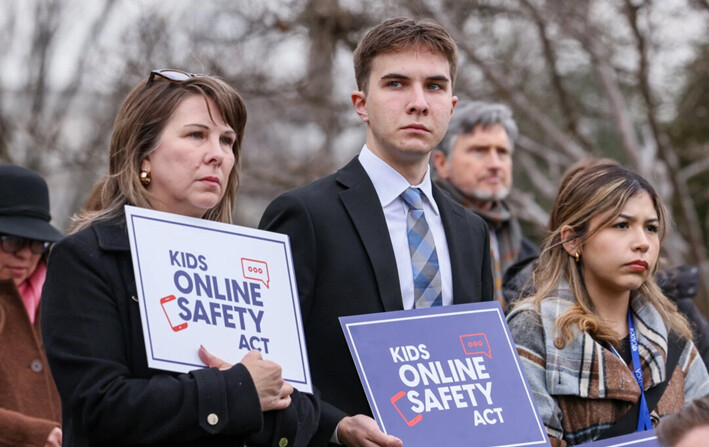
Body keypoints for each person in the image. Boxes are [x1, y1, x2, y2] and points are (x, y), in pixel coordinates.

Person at [40, 70, 319, 447]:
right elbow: (101, 408)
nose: (217, 155)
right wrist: (234, 388)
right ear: (143, 155)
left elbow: (301, 414)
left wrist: (265, 398)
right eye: (196, 135)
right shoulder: (87, 258)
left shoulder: (254, 263)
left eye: (227, 141)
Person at [259, 17, 493, 447]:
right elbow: (269, 363)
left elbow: (478, 362)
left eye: (435, 86)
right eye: (397, 84)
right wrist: (335, 425)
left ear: (452, 107)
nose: (419, 102)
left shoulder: (471, 231)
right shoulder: (304, 214)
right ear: (361, 103)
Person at [506, 161, 709, 446]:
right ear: (572, 241)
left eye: (651, 228)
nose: (642, 242)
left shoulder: (671, 329)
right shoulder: (534, 328)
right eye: (621, 225)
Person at [432, 100, 539, 309]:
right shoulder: (422, 232)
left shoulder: (528, 252)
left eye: (502, 152)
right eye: (479, 150)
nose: (495, 164)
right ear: (442, 163)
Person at [0, 164, 63, 447]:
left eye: (38, 243)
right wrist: (29, 433)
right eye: (11, 240)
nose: (26, 255)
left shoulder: (61, 300)